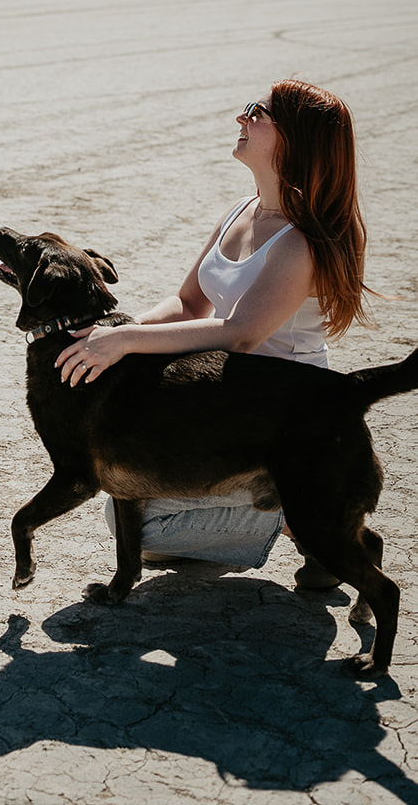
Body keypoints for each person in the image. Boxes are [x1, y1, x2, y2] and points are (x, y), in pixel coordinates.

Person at [55, 79, 370, 576]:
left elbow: (240, 333)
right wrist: (115, 330)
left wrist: (126, 340)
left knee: (141, 530)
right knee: (124, 503)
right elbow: (187, 304)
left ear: (294, 137)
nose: (240, 118)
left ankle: (306, 521)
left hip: (281, 424)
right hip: (223, 408)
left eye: (256, 113)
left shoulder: (302, 241)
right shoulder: (242, 212)